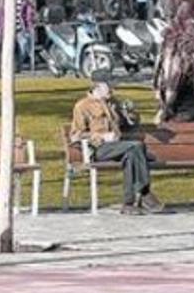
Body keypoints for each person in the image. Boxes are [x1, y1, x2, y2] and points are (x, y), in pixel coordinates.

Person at [70, 80, 164, 214]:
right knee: (136, 147)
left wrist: (131, 116)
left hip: (119, 146)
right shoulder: (82, 106)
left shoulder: (114, 103)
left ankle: (128, 204)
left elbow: (128, 126)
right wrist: (101, 136)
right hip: (98, 149)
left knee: (132, 154)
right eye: (109, 87)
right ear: (96, 87)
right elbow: (75, 135)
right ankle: (144, 192)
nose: (112, 90)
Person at [16, 0, 35, 70]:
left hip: (28, 29)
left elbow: (32, 16)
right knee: (23, 48)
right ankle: (19, 66)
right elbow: (19, 17)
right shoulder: (18, 5)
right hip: (21, 30)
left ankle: (30, 65)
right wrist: (23, 28)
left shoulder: (29, 5)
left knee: (29, 49)